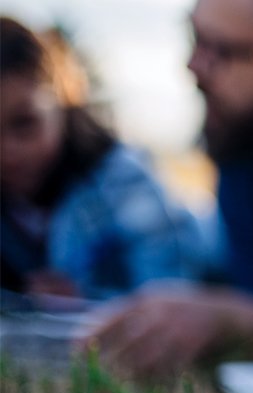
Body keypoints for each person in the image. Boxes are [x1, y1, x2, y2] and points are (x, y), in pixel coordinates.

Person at [85, 0, 253, 377]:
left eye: (221, 50)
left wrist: (230, 322)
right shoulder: (244, 166)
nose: (193, 65)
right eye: (194, 38)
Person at [1, 18, 204, 302]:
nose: (8, 151)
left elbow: (173, 293)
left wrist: (83, 301)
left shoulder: (125, 181)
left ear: (64, 103)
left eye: (24, 124)